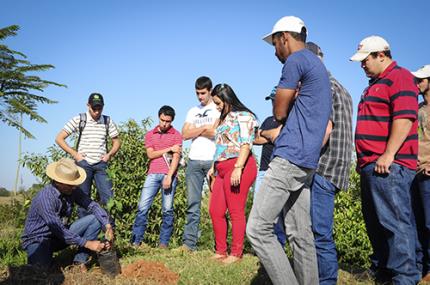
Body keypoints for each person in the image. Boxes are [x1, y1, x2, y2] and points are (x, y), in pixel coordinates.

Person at [247, 16, 331, 285]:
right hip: (307, 159)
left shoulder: (296, 60)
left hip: (289, 156)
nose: (275, 52)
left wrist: (283, 105)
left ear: (285, 37)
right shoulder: (316, 65)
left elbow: (279, 110)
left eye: (275, 44)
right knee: (300, 234)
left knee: (258, 230)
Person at [351, 35, 420, 284]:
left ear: (382, 54)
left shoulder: (399, 76)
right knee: (376, 223)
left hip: (390, 164)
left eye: (365, 59)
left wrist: (389, 153)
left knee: (394, 223)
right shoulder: (374, 83)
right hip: (371, 164)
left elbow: (405, 117)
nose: (362, 65)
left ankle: (404, 277)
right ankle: (383, 271)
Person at [306, 42, 353, 285]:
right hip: (339, 168)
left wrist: (306, 159)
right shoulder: (342, 89)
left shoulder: (323, 88)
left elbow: (325, 129)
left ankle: (326, 281)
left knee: (319, 232)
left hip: (323, 167)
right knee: (322, 229)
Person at [21, 158, 114, 270]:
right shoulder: (45, 198)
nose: (74, 187)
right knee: (42, 271)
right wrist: (88, 244)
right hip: (38, 240)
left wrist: (107, 225)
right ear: (58, 182)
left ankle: (79, 262)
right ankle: (44, 260)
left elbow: (92, 205)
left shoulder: (72, 191)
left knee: (95, 219)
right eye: (70, 185)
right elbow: (58, 229)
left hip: (59, 236)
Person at [209, 83, 258, 264]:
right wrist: (213, 167)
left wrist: (238, 167)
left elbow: (246, 143)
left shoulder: (244, 116)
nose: (217, 106)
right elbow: (221, 145)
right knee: (215, 210)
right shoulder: (223, 119)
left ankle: (236, 253)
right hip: (221, 169)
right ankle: (220, 250)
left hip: (239, 166)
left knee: (236, 211)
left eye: (218, 103)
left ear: (227, 99)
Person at [56, 93, 121, 218]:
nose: (97, 112)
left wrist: (109, 155)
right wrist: (75, 154)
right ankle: (85, 235)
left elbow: (116, 141)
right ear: (88, 105)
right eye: (94, 108)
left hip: (101, 165)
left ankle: (109, 232)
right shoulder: (79, 119)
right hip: (83, 164)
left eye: (99, 108)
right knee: (83, 200)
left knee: (109, 199)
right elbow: (59, 138)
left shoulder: (107, 121)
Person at [131, 105, 182, 248]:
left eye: (168, 121)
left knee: (167, 210)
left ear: (172, 121)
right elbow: (150, 154)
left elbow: (176, 157)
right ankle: (136, 241)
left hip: (169, 175)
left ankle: (163, 244)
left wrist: (169, 176)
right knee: (142, 208)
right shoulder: (150, 134)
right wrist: (169, 149)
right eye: (162, 120)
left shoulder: (176, 135)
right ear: (158, 117)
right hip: (152, 174)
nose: (165, 123)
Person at [180, 76, 220, 251]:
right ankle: (189, 244)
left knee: (217, 205)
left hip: (213, 160)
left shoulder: (217, 108)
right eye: (197, 93)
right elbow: (184, 134)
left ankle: (218, 246)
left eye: (203, 93)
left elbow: (216, 132)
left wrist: (196, 131)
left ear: (210, 91)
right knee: (192, 204)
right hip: (194, 160)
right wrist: (204, 129)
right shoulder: (192, 111)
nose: (200, 97)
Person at [253, 87, 286, 247]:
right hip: (262, 171)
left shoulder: (287, 119)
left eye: (275, 99)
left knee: (277, 212)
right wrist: (270, 135)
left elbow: (279, 137)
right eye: (271, 100)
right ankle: (260, 246)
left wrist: (266, 134)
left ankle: (278, 244)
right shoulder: (267, 120)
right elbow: (255, 139)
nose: (273, 103)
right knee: (258, 208)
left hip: (278, 170)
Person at [411, 64, 430, 282]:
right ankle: (418, 268)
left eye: (421, 80)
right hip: (414, 172)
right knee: (415, 222)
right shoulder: (417, 108)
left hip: (428, 173)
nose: (417, 83)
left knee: (428, 223)